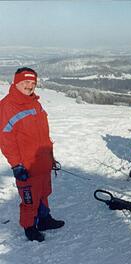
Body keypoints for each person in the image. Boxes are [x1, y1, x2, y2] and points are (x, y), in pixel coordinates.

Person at [0, 67, 64, 242]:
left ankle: (44, 220)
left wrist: (50, 156)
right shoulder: (7, 106)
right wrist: (16, 165)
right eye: (26, 82)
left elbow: (42, 134)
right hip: (26, 165)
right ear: (16, 82)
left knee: (44, 192)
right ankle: (29, 227)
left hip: (42, 161)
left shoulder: (35, 103)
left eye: (33, 83)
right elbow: (6, 140)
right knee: (29, 199)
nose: (30, 86)